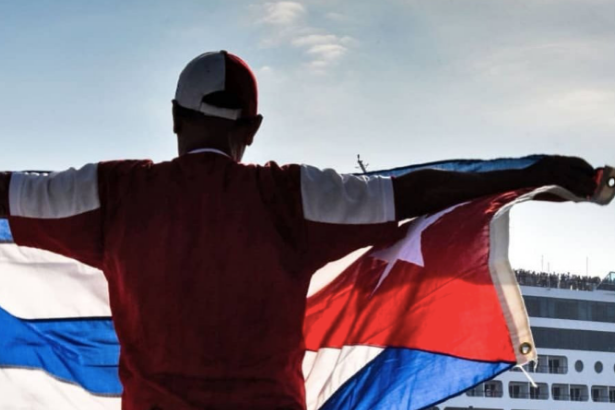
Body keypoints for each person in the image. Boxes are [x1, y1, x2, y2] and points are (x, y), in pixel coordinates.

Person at [0, 51, 597, 410]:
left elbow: (9, 192)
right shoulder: (289, 198)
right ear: (252, 129)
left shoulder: (114, 195)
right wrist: (533, 174)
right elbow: (415, 192)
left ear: (176, 118)